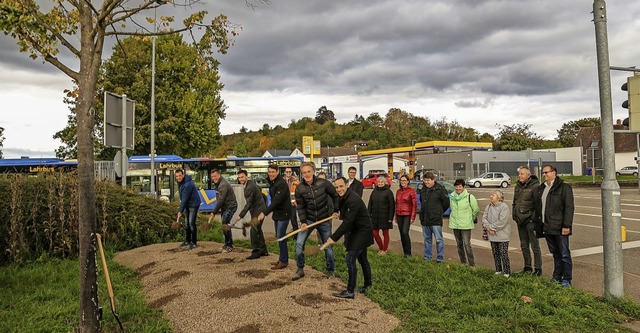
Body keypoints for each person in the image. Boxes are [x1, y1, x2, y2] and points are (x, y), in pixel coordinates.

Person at [321, 177, 373, 299]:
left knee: (350, 259)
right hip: (356, 231)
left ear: (346, 185)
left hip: (362, 232)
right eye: (337, 187)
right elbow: (342, 209)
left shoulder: (353, 199)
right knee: (362, 259)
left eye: (341, 186)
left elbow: (347, 223)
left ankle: (350, 291)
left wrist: (333, 238)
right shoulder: (344, 197)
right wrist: (336, 212)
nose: (339, 189)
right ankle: (368, 284)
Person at [292, 162, 340, 281]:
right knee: (299, 243)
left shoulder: (323, 183)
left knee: (327, 245)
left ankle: (330, 270)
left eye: (309, 171)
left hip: (324, 219)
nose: (307, 174)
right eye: (304, 172)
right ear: (301, 174)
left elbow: (335, 195)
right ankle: (300, 268)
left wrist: (336, 210)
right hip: (309, 220)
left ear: (313, 171)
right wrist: (303, 222)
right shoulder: (300, 188)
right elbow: (301, 207)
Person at [534, 164, 574, 287]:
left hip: (560, 227)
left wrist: (566, 225)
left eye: (547, 172)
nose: (544, 174)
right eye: (543, 173)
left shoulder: (564, 187)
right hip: (547, 227)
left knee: (564, 254)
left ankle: (567, 278)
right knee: (555, 254)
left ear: (554, 173)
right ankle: (557, 276)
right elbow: (539, 208)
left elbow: (569, 208)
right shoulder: (542, 188)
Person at [258, 164, 292, 269]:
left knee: (281, 236)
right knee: (279, 236)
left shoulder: (281, 184)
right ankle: (282, 258)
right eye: (269, 172)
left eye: (273, 172)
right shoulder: (273, 182)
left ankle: (284, 261)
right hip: (277, 214)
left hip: (284, 213)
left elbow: (276, 201)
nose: (271, 174)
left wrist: (264, 212)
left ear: (277, 172)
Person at [512, 165, 542, 275]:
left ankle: (538, 269)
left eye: (522, 174)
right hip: (520, 221)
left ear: (528, 175)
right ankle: (527, 267)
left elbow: (538, 205)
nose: (520, 176)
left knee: (535, 245)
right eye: (519, 174)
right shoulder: (518, 186)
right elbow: (515, 202)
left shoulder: (535, 187)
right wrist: (514, 215)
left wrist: (532, 219)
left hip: (530, 221)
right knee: (524, 245)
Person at [417, 172, 450, 262]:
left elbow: (446, 203)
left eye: (428, 180)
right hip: (425, 219)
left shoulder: (440, 190)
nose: (426, 182)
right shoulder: (423, 190)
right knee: (427, 239)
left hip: (435, 219)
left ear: (433, 180)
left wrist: (439, 212)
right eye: (425, 180)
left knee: (439, 239)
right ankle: (428, 257)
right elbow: (422, 202)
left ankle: (440, 258)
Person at [236, 169, 268, 259]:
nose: (240, 179)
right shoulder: (249, 184)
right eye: (239, 178)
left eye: (242, 177)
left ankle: (256, 252)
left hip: (259, 211)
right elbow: (259, 190)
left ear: (246, 176)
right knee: (258, 230)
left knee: (253, 230)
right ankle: (263, 250)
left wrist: (241, 215)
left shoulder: (249, 187)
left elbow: (249, 203)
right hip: (258, 210)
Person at [448, 179, 479, 267]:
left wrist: (470, 219)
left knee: (467, 244)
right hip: (455, 224)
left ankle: (472, 264)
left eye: (460, 186)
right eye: (456, 186)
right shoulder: (452, 197)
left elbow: (476, 210)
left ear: (463, 187)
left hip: (466, 225)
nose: (458, 188)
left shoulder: (469, 197)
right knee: (459, 244)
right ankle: (463, 262)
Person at [482, 189, 511, 277]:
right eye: (491, 195)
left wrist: (491, 228)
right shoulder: (489, 206)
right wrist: (488, 227)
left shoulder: (504, 207)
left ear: (499, 198)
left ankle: (507, 272)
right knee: (495, 253)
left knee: (503, 253)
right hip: (492, 234)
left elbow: (502, 221)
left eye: (493, 195)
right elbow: (484, 218)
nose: (491, 196)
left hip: (502, 235)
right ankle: (498, 269)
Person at [210, 169, 238, 252]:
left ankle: (229, 246)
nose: (213, 178)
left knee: (225, 225)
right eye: (212, 177)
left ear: (219, 175)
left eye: (215, 176)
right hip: (225, 207)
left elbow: (221, 200)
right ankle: (227, 244)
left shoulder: (223, 185)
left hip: (230, 207)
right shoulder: (218, 183)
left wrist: (214, 212)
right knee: (225, 225)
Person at [368, 175, 395, 255]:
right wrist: (368, 214)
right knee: (374, 233)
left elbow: (392, 206)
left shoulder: (388, 192)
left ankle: (384, 249)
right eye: (379, 182)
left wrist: (390, 217)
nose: (380, 183)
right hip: (375, 217)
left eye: (382, 182)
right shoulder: (374, 191)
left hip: (385, 217)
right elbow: (370, 204)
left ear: (385, 183)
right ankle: (381, 247)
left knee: (385, 233)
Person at [176, 169, 202, 250]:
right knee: (187, 223)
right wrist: (182, 209)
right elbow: (183, 197)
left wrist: (180, 210)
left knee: (191, 223)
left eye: (180, 175)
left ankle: (194, 243)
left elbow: (185, 198)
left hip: (193, 204)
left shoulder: (188, 184)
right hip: (188, 204)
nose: (178, 177)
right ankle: (187, 240)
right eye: (177, 176)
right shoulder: (180, 182)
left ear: (183, 175)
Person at [395, 174, 417, 258]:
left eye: (404, 180)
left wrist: (412, 217)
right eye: (401, 180)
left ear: (408, 181)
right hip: (399, 214)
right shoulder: (398, 191)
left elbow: (414, 205)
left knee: (405, 232)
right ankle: (405, 252)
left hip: (407, 214)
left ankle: (408, 253)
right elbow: (396, 204)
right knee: (401, 234)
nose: (403, 182)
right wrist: (396, 216)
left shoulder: (411, 191)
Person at [283, 167, 300, 238]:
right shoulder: (282, 181)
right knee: (283, 221)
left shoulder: (296, 181)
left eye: (289, 172)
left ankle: (296, 236)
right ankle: (282, 236)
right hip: (284, 204)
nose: (288, 173)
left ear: (292, 172)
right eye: (287, 172)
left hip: (293, 204)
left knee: (294, 220)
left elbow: (299, 192)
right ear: (284, 172)